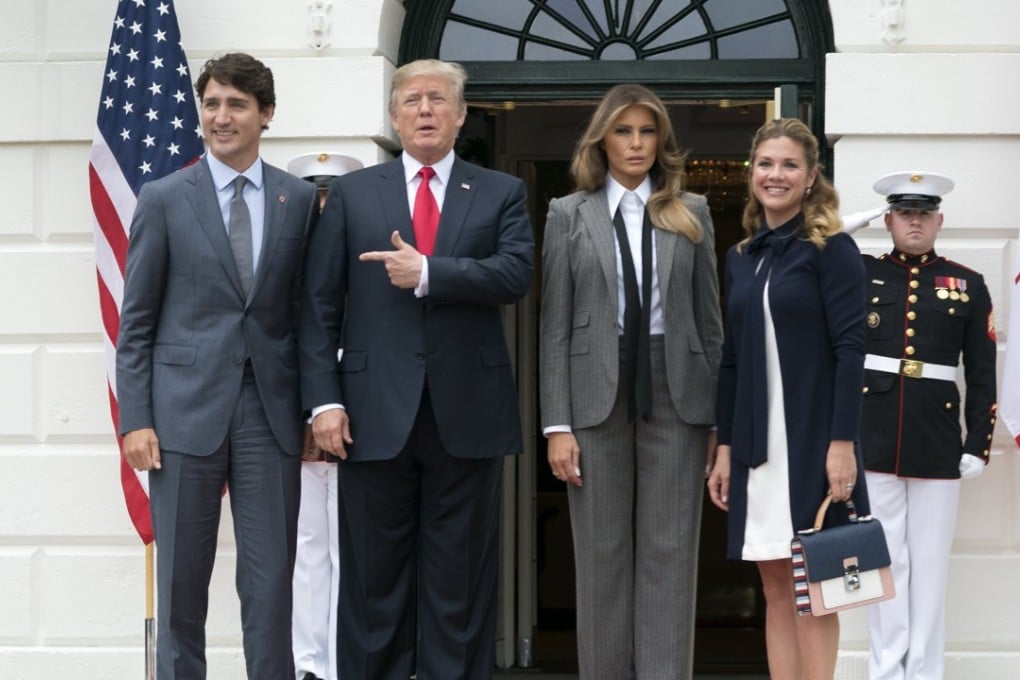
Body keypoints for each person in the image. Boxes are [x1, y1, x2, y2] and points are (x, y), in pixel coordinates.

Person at [298, 59, 534, 680]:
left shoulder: (499, 190)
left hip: (467, 414)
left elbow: (516, 274)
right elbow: (320, 306)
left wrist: (430, 273)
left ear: (460, 115)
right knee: (374, 587)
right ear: (393, 115)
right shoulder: (352, 192)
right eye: (412, 100)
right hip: (370, 417)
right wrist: (323, 403)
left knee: (458, 589)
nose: (425, 110)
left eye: (438, 100)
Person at [116, 53, 318, 679]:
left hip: (271, 415)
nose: (220, 117)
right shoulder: (164, 198)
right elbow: (137, 323)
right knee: (180, 589)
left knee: (270, 587)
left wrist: (317, 408)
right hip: (181, 417)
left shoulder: (300, 198)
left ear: (266, 114)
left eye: (236, 104)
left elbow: (309, 318)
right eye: (212, 103)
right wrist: (137, 419)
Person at [539, 83, 723, 679]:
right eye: (624, 131)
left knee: (671, 553)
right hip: (594, 391)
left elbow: (711, 322)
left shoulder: (690, 210)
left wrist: (720, 420)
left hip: (677, 387)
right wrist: (556, 424)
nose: (637, 143)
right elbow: (555, 328)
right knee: (602, 554)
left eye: (648, 132)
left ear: (661, 141)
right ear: (603, 139)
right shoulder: (568, 213)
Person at [707, 117, 869, 680]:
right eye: (766, 164)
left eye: (789, 165)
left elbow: (852, 351)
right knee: (776, 585)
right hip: (756, 445)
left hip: (814, 439)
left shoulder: (834, 249)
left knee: (816, 588)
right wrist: (725, 448)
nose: (776, 175)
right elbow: (731, 359)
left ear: (811, 177)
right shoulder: (742, 255)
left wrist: (842, 444)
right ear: (752, 172)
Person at [861, 171, 997, 680]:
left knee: (931, 567)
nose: (914, 221)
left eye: (923, 213)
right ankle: (885, 669)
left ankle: (923, 672)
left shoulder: (967, 283)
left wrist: (977, 444)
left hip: (938, 440)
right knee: (884, 562)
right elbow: (811, 249)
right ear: (888, 220)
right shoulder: (860, 273)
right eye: (903, 213)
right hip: (873, 434)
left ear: (939, 220)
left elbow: (982, 372)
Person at [286, 151, 364, 680]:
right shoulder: (282, 253)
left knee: (355, 546)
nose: (323, 208)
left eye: (332, 198)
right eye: (315, 198)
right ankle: (309, 663)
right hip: (297, 409)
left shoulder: (369, 247)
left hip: (364, 408)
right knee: (308, 544)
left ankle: (345, 661)